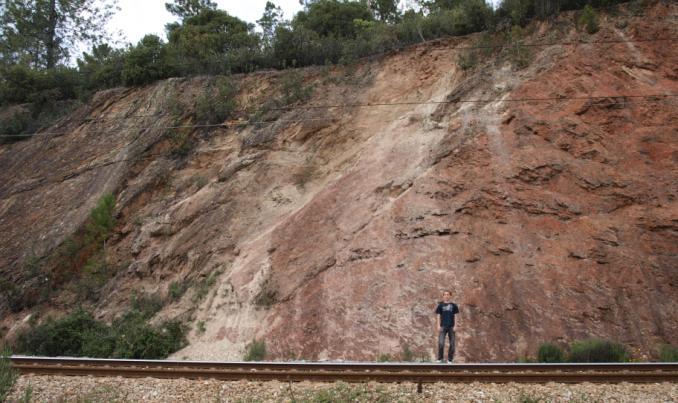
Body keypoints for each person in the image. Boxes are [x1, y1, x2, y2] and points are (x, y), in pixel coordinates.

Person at [435, 290, 459, 363]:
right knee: (441, 343)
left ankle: (450, 359)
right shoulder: (440, 305)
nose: (446, 296)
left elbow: (456, 316)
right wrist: (438, 325)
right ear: (443, 296)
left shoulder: (454, 305)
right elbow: (438, 316)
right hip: (443, 326)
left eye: (448, 294)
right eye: (445, 294)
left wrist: (455, 325)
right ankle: (440, 358)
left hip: (451, 327)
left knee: (452, 344)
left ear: (450, 296)